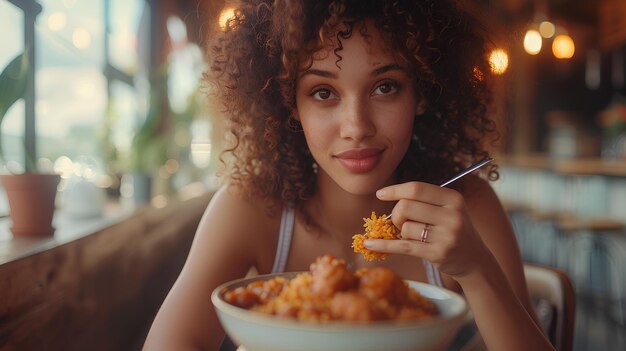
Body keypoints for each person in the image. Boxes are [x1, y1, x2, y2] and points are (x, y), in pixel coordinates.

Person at [144, 0, 555, 350]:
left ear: (423, 93)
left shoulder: (467, 206)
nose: (356, 126)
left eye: (385, 87)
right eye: (323, 93)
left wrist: (476, 269)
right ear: (290, 105)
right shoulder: (251, 207)